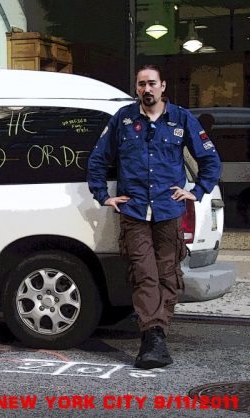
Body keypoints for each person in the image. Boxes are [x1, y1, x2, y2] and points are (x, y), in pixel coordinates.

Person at [87, 64, 221, 369]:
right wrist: (103, 195)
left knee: (168, 275)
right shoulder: (123, 119)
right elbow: (97, 160)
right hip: (133, 212)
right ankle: (152, 337)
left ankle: (157, 332)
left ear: (163, 87)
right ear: (137, 89)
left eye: (152, 84)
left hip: (168, 211)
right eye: (141, 84)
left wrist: (197, 190)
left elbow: (210, 159)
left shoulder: (181, 119)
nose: (146, 89)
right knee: (144, 274)